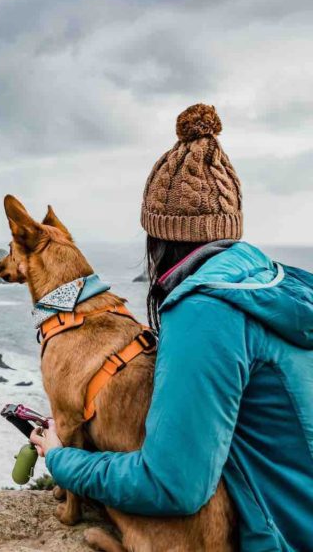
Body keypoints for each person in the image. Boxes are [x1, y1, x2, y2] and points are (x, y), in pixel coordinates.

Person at [30, 104, 313, 551]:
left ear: (157, 238)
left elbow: (172, 485)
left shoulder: (206, 312)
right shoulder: (274, 285)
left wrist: (62, 460)